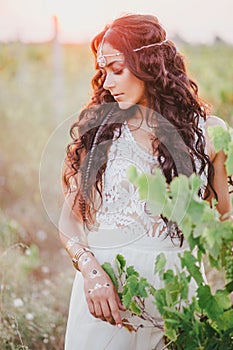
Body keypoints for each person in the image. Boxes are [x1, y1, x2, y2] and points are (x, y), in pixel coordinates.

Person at [58, 13, 232, 350]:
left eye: (116, 70)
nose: (106, 82)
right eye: (102, 71)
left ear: (149, 65)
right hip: (107, 301)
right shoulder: (101, 130)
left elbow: (225, 225)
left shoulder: (210, 134)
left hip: (178, 299)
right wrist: (92, 274)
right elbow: (69, 221)